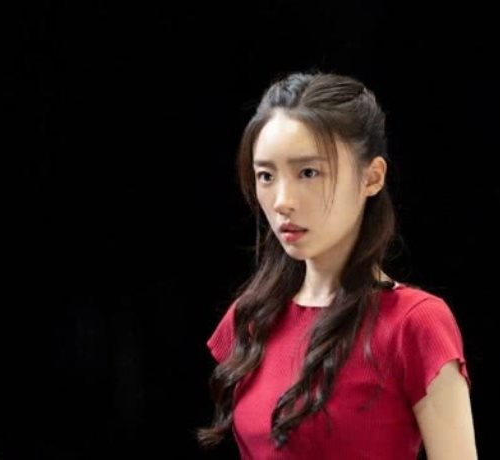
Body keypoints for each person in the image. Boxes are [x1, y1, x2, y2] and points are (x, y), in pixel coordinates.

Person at [197, 71, 477, 459]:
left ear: (372, 177)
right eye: (266, 175)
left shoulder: (414, 324)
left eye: (308, 173)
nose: (282, 200)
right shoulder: (251, 318)